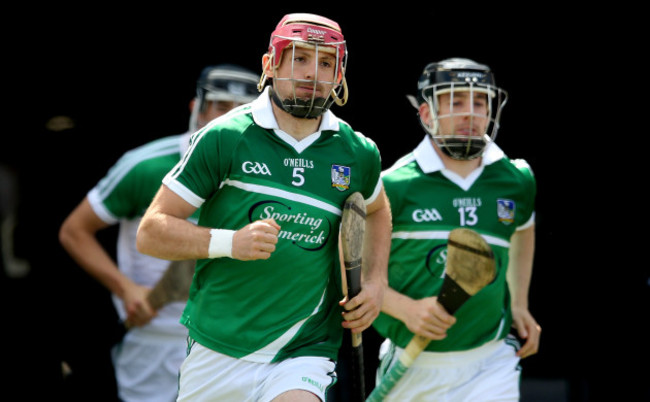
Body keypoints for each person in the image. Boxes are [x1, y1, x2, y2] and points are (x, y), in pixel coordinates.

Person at [136, 12, 392, 401]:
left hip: (304, 348)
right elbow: (151, 231)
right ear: (270, 64)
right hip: (218, 345)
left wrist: (375, 282)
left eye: (326, 63)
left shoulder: (358, 152)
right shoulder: (225, 137)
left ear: (340, 75)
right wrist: (229, 242)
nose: (312, 74)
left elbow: (376, 211)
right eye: (300, 58)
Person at [58, 64, 259, 402]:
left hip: (229, 343)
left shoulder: (262, 182)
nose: (228, 120)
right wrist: (126, 288)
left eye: (243, 112)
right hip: (149, 340)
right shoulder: (146, 165)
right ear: (197, 108)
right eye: (221, 107)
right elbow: (74, 231)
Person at [372, 57, 541, 401]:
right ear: (426, 114)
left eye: (479, 101)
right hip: (411, 362)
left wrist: (520, 303)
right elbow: (351, 274)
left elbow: (524, 228)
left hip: (490, 360)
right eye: (455, 100)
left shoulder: (516, 179)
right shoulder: (393, 184)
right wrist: (405, 308)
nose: (470, 112)